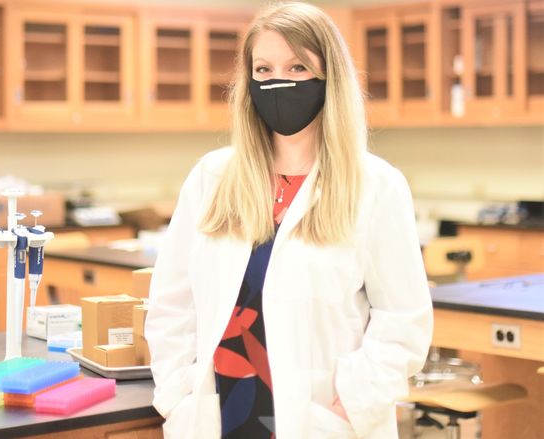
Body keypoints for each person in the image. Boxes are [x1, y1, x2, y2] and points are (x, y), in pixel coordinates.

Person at [144, 2, 433, 438]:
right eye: (263, 69)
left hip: (318, 420)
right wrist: (177, 395)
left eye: (298, 67)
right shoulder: (212, 177)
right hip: (216, 416)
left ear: (329, 77)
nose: (278, 82)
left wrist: (352, 402)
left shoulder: (376, 186)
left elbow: (403, 319)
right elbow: (171, 305)